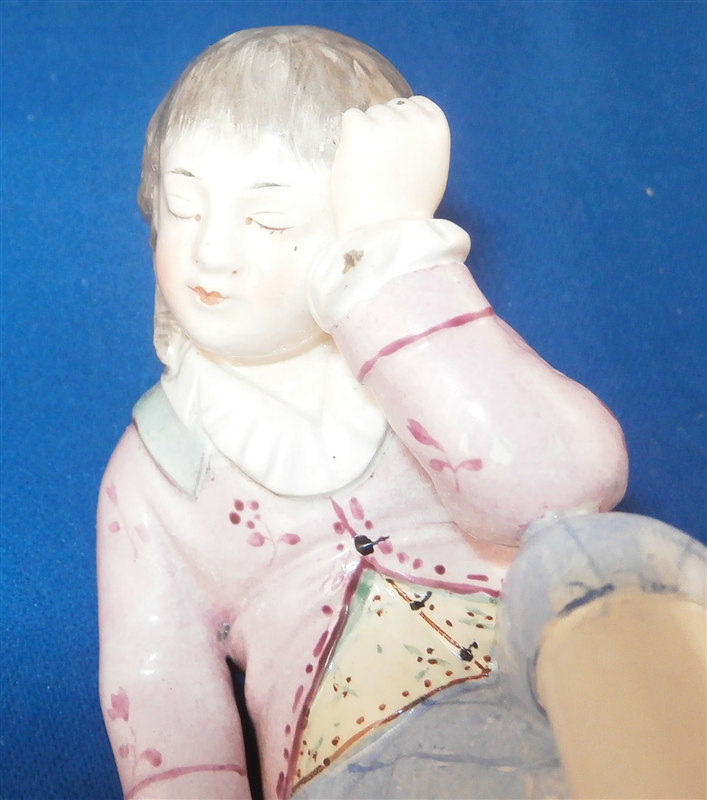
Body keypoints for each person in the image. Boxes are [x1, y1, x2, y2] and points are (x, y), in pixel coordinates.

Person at [98, 26, 627, 799]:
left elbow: (560, 490)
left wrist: (392, 262)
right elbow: (164, 710)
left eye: (269, 221)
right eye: (184, 208)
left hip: (588, 700)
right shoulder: (155, 473)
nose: (210, 254)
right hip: (361, 765)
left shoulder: (425, 359)